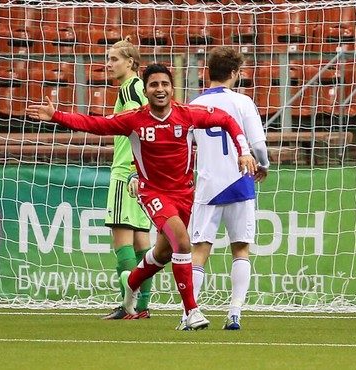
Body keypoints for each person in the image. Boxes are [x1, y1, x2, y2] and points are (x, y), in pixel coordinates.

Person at [27, 63, 257, 330]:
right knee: (183, 244)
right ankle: (191, 312)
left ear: (172, 88)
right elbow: (95, 124)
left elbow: (227, 121)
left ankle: (131, 285)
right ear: (146, 90)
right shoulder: (134, 119)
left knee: (162, 252)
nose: (160, 89)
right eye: (154, 85)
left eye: (164, 84)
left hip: (184, 194)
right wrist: (57, 116)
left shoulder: (188, 114)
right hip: (153, 193)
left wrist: (244, 151)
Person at [178, 46, 269, 330]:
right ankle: (234, 313)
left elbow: (182, 148)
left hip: (207, 185)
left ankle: (188, 314)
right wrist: (263, 165)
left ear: (208, 72)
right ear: (234, 73)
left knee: (199, 250)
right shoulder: (242, 102)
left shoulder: (191, 105)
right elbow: (258, 145)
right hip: (241, 180)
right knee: (241, 249)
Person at [101, 37, 153, 320]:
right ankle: (142, 305)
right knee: (141, 242)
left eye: (114, 59)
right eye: (108, 59)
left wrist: (132, 167)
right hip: (143, 175)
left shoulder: (130, 90)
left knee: (122, 240)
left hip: (126, 173)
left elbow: (140, 129)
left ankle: (127, 304)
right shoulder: (138, 89)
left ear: (131, 62)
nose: (109, 64)